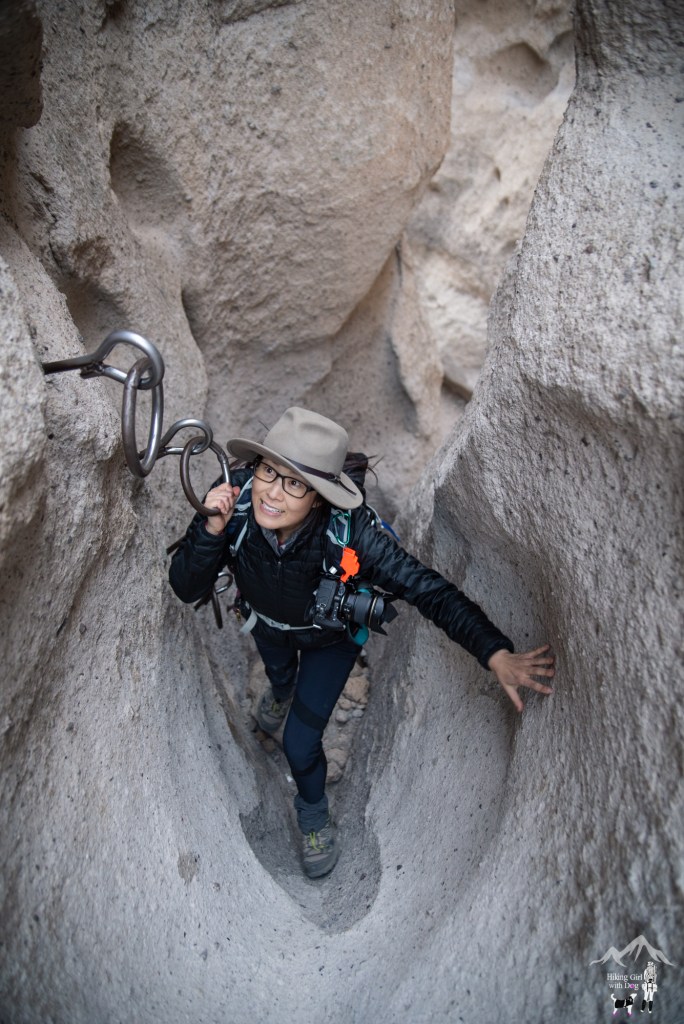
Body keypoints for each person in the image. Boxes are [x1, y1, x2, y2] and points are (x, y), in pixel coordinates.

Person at [169, 407, 554, 879]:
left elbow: (427, 589)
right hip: (265, 623)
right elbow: (186, 587)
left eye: (296, 483)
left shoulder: (356, 535)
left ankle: (312, 813)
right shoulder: (235, 508)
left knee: (299, 741)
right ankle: (282, 690)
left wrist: (493, 650)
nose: (273, 491)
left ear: (320, 496)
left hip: (331, 643)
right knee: (278, 674)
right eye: (270, 471)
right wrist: (210, 529)